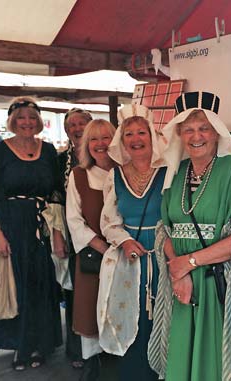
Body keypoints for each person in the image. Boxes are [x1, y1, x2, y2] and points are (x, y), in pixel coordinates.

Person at [148, 91, 231, 381]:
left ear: (217, 133)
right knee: (180, 360)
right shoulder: (176, 173)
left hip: (218, 287)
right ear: (180, 135)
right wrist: (178, 272)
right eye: (189, 130)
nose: (196, 136)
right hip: (182, 288)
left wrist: (190, 263)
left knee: (215, 366)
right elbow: (165, 231)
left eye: (203, 128)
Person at [0, 96, 63, 370]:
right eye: (21, 117)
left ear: (38, 122)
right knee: (15, 285)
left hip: (40, 226)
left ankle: (40, 344)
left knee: (40, 285)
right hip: (10, 226)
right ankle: (20, 345)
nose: (27, 122)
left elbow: (56, 191)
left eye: (32, 118)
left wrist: (57, 233)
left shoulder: (47, 151)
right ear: (12, 121)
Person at [98, 104, 165, 380]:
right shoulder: (115, 176)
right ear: (122, 140)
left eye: (141, 132)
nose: (136, 139)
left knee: (161, 318)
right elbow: (109, 221)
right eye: (129, 134)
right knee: (133, 317)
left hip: (163, 254)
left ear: (152, 135)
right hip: (130, 259)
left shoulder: (169, 171)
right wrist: (124, 241)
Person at [66, 119, 115, 380]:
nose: (100, 144)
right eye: (94, 139)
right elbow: (74, 220)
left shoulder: (126, 171)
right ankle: (92, 365)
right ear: (87, 144)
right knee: (90, 308)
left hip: (123, 255)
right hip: (93, 257)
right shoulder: (79, 175)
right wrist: (103, 248)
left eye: (106, 137)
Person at [52, 108, 94, 370]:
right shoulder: (59, 161)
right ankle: (77, 349)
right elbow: (54, 197)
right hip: (70, 231)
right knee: (75, 290)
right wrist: (58, 235)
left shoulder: (105, 153)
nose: (77, 128)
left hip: (102, 229)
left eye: (82, 123)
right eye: (72, 125)